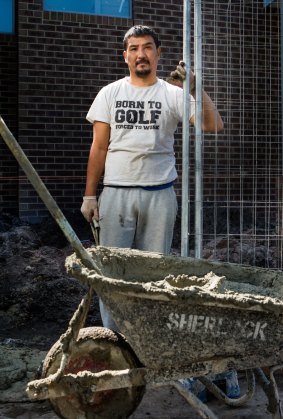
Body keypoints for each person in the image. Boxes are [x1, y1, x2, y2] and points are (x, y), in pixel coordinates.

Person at [81, 24, 239, 400]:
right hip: (117, 194)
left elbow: (213, 125)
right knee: (112, 276)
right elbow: (99, 148)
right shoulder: (110, 93)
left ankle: (152, 349)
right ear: (125, 56)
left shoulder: (172, 93)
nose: (140, 54)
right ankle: (119, 350)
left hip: (159, 195)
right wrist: (90, 196)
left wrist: (195, 87)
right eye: (133, 48)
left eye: (147, 48)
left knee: (153, 276)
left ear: (158, 53)